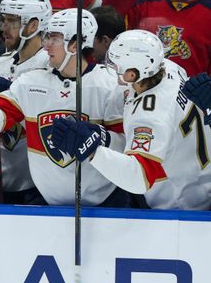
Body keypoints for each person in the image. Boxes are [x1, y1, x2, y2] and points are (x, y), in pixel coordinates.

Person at [0, 8, 129, 207]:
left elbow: (126, 147)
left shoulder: (109, 85)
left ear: (75, 44)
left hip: (106, 203)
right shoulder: (30, 82)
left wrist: (98, 138)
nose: (45, 46)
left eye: (53, 39)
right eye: (46, 37)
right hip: (48, 204)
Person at [52, 29, 211, 210]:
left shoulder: (150, 116)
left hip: (183, 203)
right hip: (200, 176)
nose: (109, 67)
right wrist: (107, 139)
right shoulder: (169, 67)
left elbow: (139, 178)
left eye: (115, 63)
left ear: (132, 75)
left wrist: (91, 150)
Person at [0, 0, 52, 203]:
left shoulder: (49, 65)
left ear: (33, 26)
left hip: (35, 182)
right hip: (1, 176)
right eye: (3, 20)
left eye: (12, 21)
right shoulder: (0, 63)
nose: (4, 28)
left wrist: (7, 87)